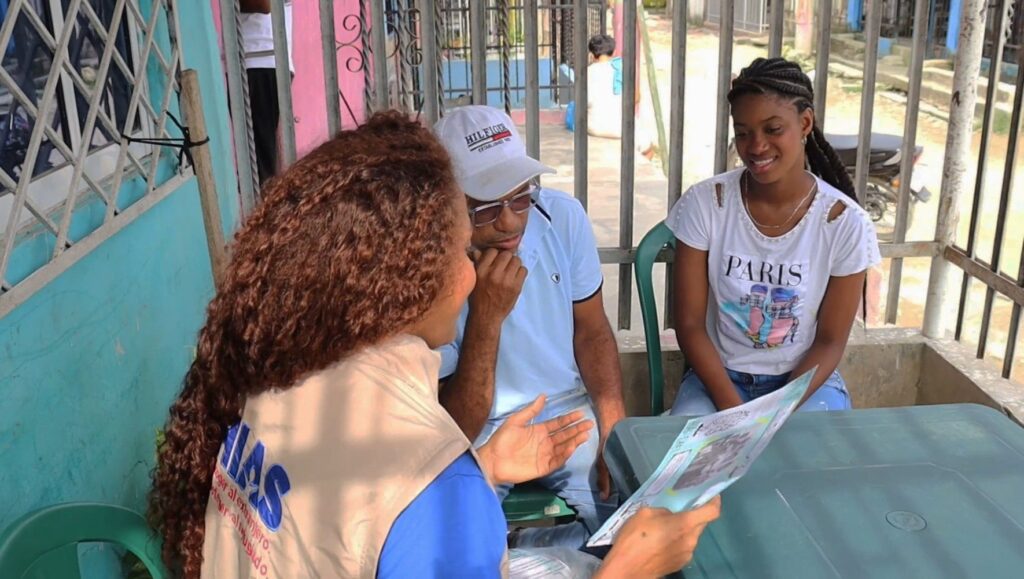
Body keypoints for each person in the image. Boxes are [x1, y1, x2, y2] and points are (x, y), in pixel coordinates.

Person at [148, 111, 720, 578]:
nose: (472, 272)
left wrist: (484, 466)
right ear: (407, 274)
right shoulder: (436, 487)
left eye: (520, 199)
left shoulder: (278, 378)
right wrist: (624, 572)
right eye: (458, 247)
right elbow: (419, 505)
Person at [433, 105, 626, 549]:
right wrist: (486, 314)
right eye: (486, 208)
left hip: (565, 410)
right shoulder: (430, 260)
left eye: (520, 197)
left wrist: (613, 427)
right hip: (477, 431)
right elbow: (457, 424)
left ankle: (531, 556)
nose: (510, 221)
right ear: (448, 206)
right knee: (454, 542)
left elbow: (592, 331)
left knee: (622, 518)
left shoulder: (562, 216)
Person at [668, 57, 881, 417]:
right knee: (694, 448)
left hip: (804, 384)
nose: (756, 146)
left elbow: (830, 341)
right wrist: (736, 413)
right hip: (718, 379)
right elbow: (689, 325)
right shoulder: (707, 204)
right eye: (743, 132)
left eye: (773, 129)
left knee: (814, 449)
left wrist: (774, 414)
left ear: (805, 123)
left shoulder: (844, 223)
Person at [239, 0, 292, 184]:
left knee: (261, 166)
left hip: (259, 61)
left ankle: (270, 201)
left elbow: (263, 5)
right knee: (263, 158)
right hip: (262, 61)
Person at [584, 33, 655, 159]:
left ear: (592, 54)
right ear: (614, 52)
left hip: (593, 127)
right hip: (620, 127)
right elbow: (636, 98)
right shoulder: (622, 68)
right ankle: (637, 169)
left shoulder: (586, 72)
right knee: (649, 149)